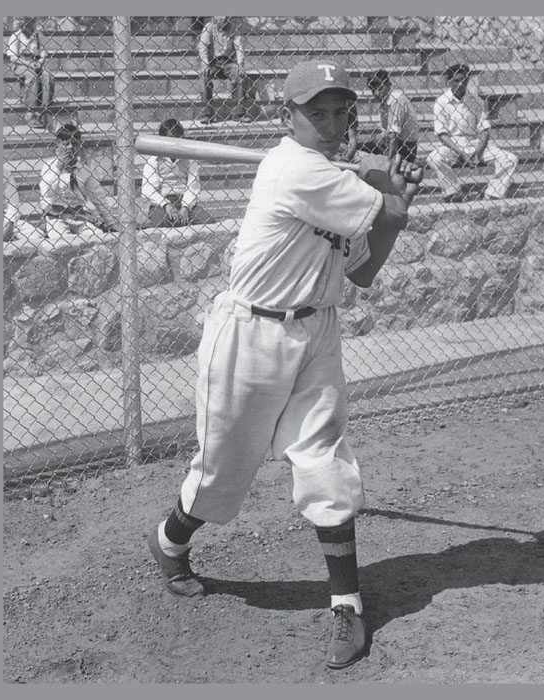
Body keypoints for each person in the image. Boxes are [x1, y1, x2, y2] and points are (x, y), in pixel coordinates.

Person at [147, 58, 423, 670]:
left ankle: (346, 605)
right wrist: (390, 188)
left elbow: (365, 269)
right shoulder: (295, 169)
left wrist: (390, 198)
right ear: (286, 117)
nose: (330, 123)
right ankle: (170, 542)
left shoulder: (329, 174)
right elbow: (387, 210)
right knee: (223, 473)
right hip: (251, 332)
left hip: (316, 330)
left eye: (339, 113)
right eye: (315, 112)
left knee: (325, 462)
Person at [427, 62, 519, 202]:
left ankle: (492, 194)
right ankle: (453, 192)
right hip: (452, 145)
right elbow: (442, 135)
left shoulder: (476, 100)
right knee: (434, 158)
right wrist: (461, 153)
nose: (461, 84)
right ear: (449, 82)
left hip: (474, 143)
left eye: (464, 80)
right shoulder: (441, 102)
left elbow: (484, 130)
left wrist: (479, 151)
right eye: (456, 81)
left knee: (510, 159)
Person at [39, 123, 118, 255]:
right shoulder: (49, 167)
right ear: (57, 146)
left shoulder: (84, 170)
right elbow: (47, 192)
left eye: (75, 144)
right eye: (66, 143)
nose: (70, 148)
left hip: (78, 217)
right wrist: (59, 166)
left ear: (80, 146)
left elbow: (99, 197)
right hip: (56, 217)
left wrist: (110, 223)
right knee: (62, 244)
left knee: (97, 239)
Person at [141, 119, 215, 228]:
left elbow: (193, 187)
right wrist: (166, 205)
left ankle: (182, 220)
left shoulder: (189, 160)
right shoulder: (154, 160)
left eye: (177, 140)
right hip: (163, 202)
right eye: (169, 140)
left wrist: (185, 207)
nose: (173, 145)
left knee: (208, 221)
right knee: (163, 221)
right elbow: (148, 190)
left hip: (183, 200)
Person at [197, 16, 251, 124]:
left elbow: (239, 47)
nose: (224, 18)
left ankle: (238, 113)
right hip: (213, 62)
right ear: (215, 17)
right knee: (204, 78)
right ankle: (207, 114)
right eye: (221, 16)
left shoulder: (234, 28)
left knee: (239, 76)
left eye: (226, 16)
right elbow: (202, 47)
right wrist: (205, 64)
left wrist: (240, 64)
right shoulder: (209, 27)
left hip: (229, 61)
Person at [6, 16, 54, 129]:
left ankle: (44, 110)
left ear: (32, 23)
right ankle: (30, 113)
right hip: (21, 63)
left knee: (48, 76)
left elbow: (43, 53)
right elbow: (13, 58)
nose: (24, 24)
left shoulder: (37, 36)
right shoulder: (16, 36)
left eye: (26, 22)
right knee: (31, 76)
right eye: (22, 22)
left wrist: (40, 63)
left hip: (35, 62)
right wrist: (29, 64)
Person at [364, 69, 419, 163]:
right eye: (373, 90)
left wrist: (389, 158)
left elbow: (394, 133)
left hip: (406, 146)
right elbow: (385, 132)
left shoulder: (397, 99)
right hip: (392, 142)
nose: (377, 93)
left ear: (389, 85)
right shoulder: (383, 104)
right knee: (365, 146)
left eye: (380, 88)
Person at [3, 162, 46, 253]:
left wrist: (9, 224)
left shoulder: (3, 172)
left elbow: (13, 202)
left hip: (4, 219)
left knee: (37, 236)